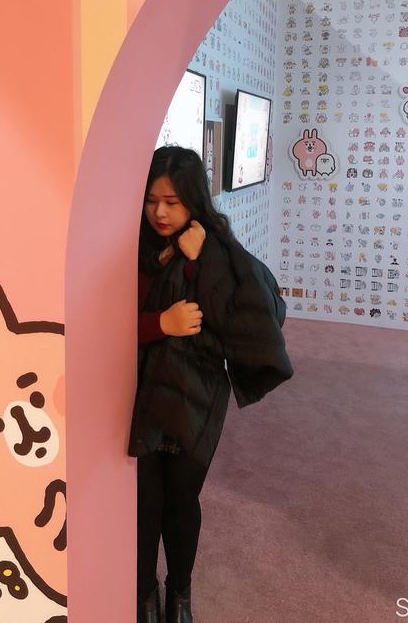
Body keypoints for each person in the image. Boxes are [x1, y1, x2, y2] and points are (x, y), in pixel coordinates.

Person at [129, 146, 293, 623]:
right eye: (151, 200)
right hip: (139, 394)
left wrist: (204, 259)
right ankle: (144, 597)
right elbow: (101, 321)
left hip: (196, 395)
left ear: (194, 201)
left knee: (182, 499)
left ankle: (180, 595)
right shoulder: (129, 246)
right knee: (144, 503)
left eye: (172, 202)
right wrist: (160, 323)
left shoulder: (215, 247)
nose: (160, 212)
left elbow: (251, 318)